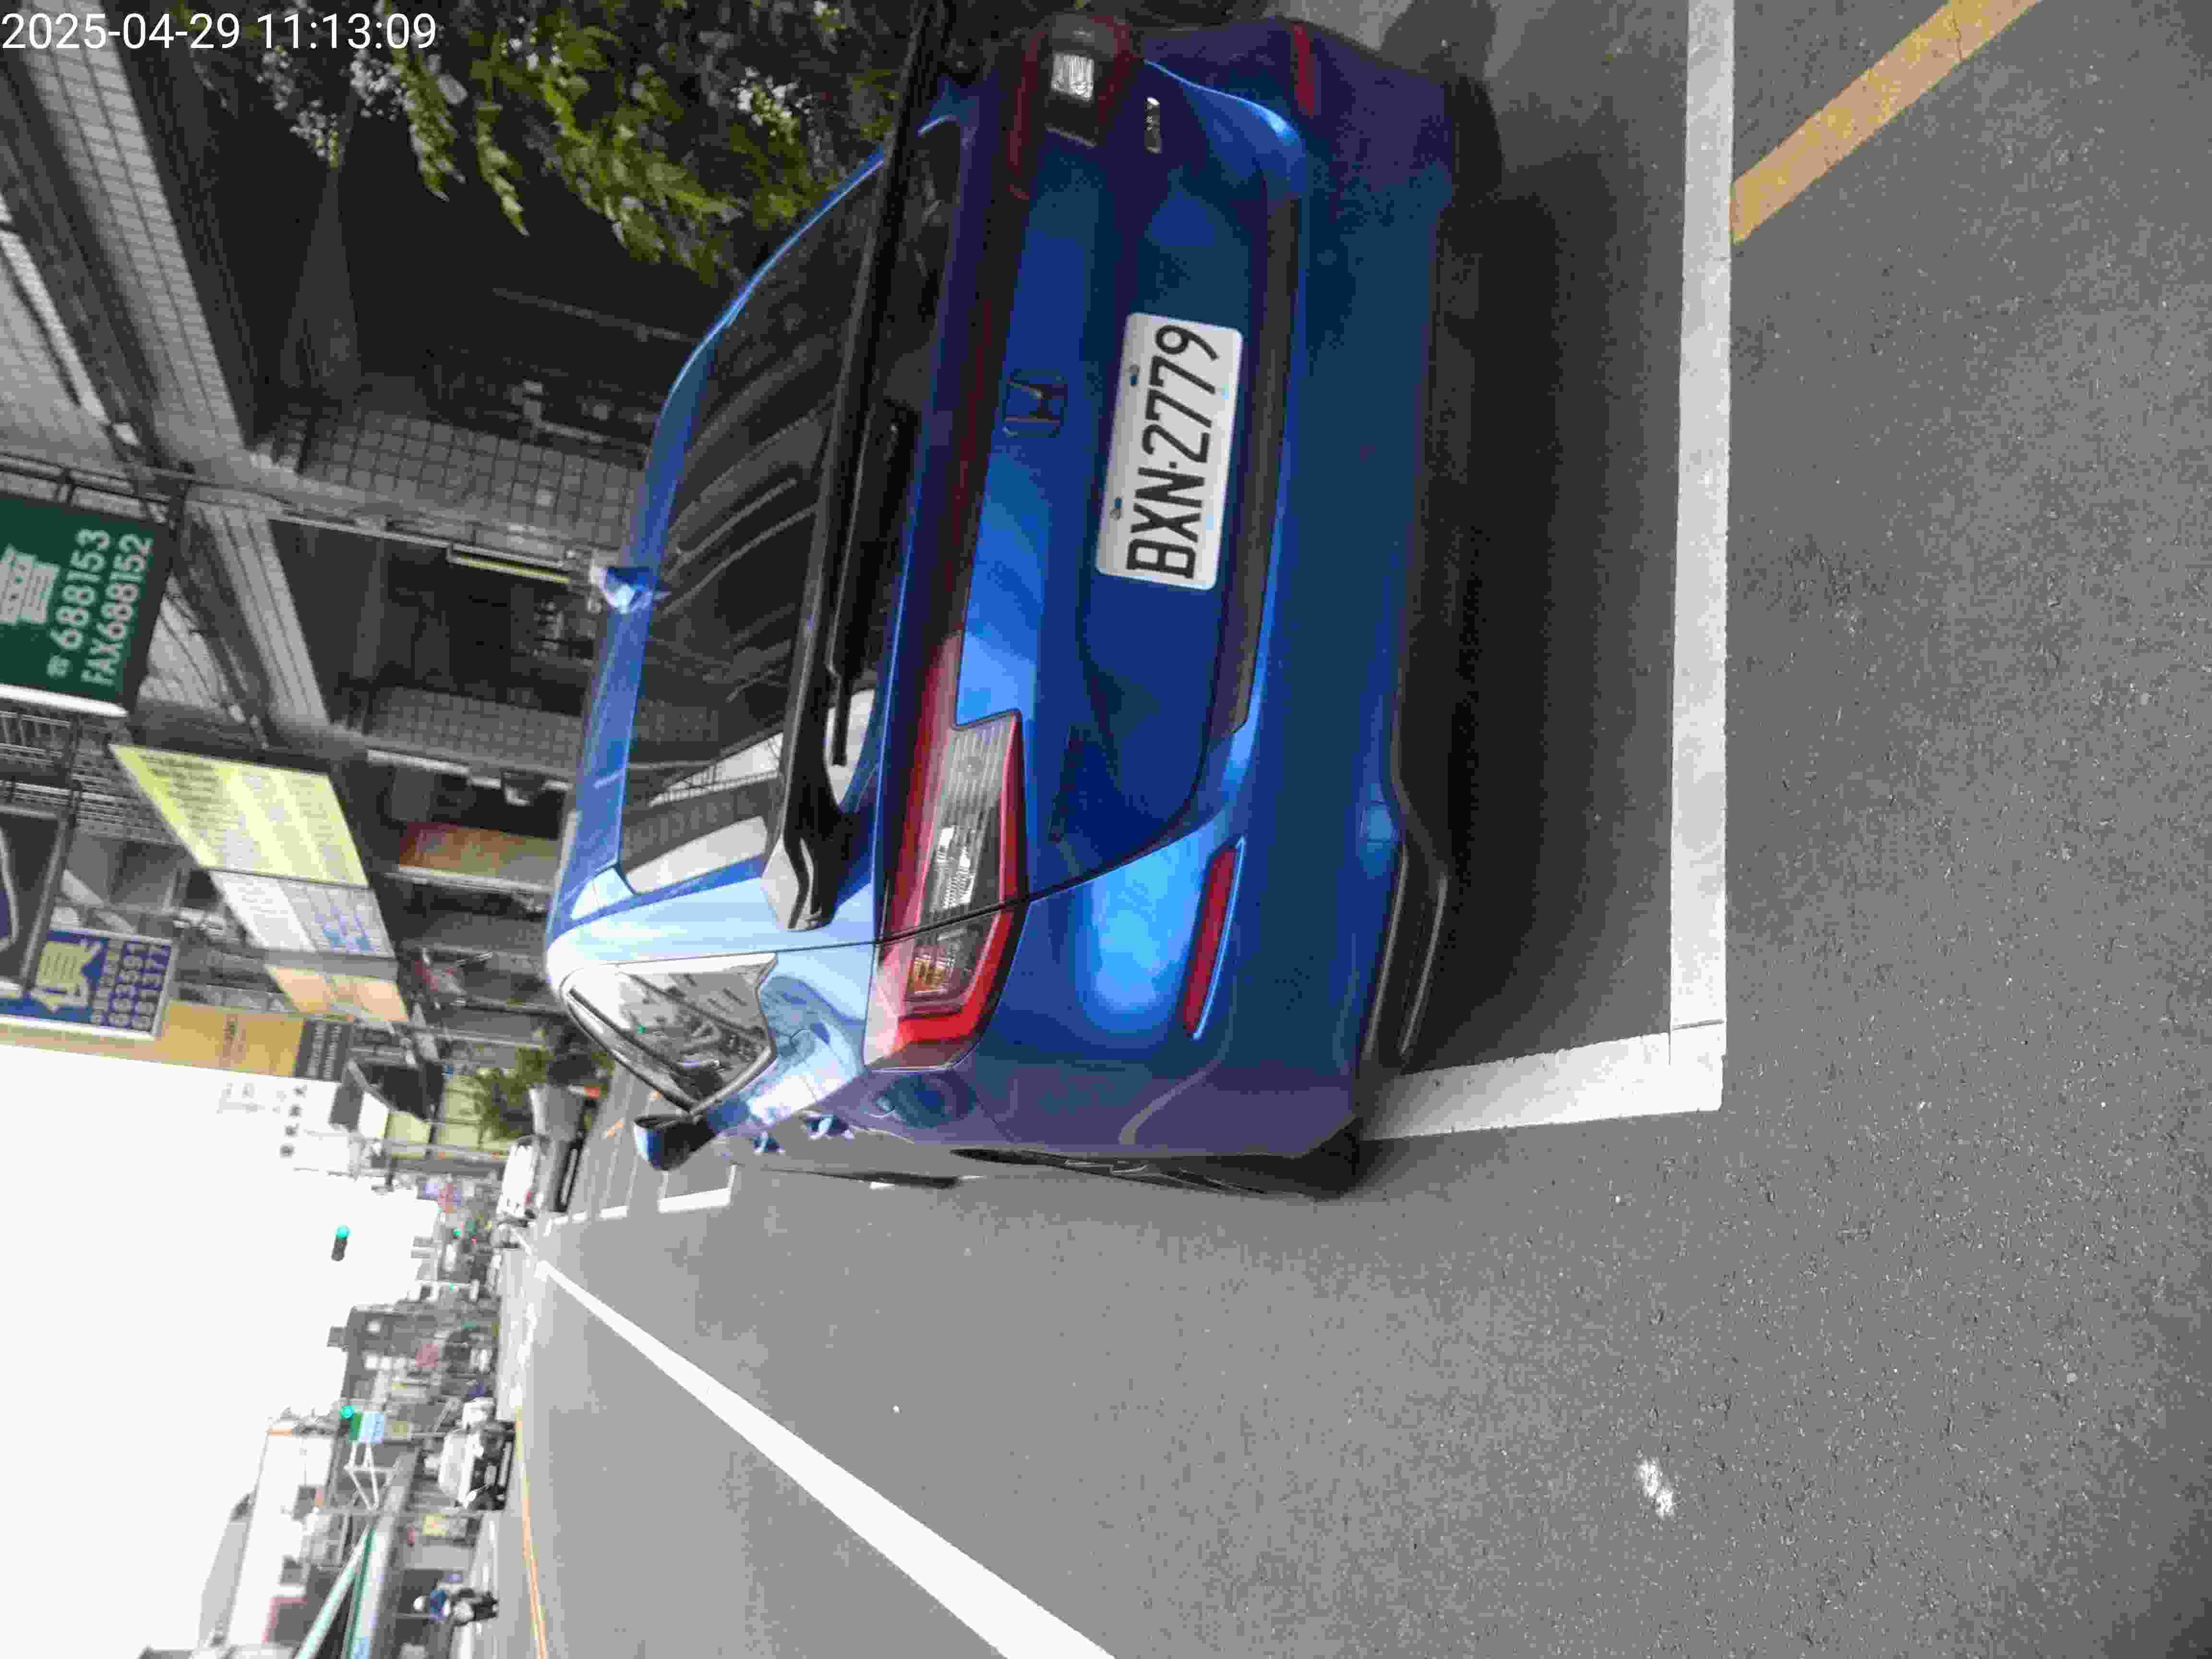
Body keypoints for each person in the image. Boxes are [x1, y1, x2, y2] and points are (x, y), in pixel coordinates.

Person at [415, 1586, 500, 1624]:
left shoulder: (435, 1594)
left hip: (457, 1601)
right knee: (466, 1618)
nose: (428, 1603)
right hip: (456, 1613)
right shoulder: (433, 1612)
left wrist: (450, 1599)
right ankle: (491, 1614)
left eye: (426, 1601)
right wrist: (447, 1615)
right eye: (425, 1606)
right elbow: (444, 1621)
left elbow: (447, 1592)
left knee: (464, 1594)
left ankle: (489, 1600)